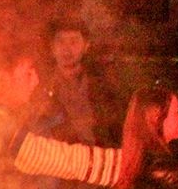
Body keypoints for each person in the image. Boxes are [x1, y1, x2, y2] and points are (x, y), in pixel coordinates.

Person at [37, 18, 121, 148]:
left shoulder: (102, 85)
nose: (67, 48)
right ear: (52, 47)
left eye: (74, 41)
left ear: (86, 45)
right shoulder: (41, 87)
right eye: (60, 41)